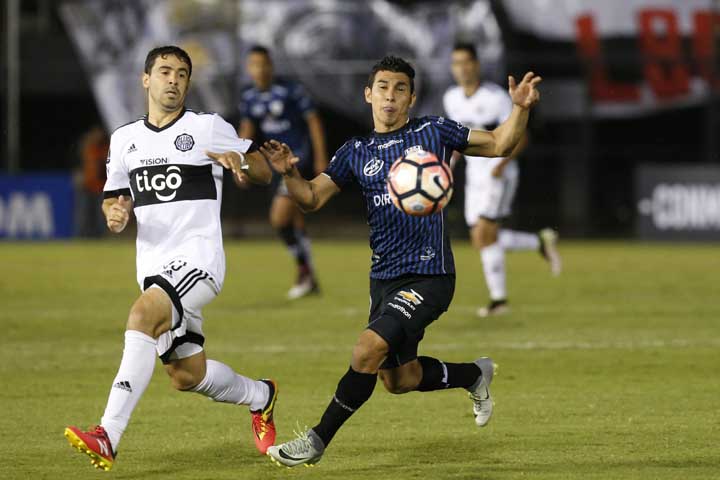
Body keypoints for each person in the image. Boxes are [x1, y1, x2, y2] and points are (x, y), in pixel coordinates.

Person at [260, 55, 541, 467]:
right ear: (368, 94)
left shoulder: (432, 132)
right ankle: (474, 374)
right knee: (398, 379)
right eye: (384, 88)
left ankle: (316, 441)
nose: (391, 97)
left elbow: (500, 143)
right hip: (385, 279)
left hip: (430, 274)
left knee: (366, 351)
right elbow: (313, 198)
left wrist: (520, 109)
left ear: (411, 98)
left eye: (401, 89)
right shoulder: (355, 151)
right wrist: (289, 174)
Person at [64, 45, 278, 471]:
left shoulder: (206, 128)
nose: (174, 80)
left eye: (182, 73)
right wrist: (116, 213)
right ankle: (261, 396)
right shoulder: (124, 140)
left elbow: (263, 169)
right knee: (187, 375)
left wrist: (242, 165)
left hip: (199, 260)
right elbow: (113, 199)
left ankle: (108, 434)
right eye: (165, 72)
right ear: (146, 79)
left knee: (142, 316)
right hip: (154, 269)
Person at [444, 43, 562, 318]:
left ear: (476, 65)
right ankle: (540, 243)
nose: (461, 68)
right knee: (480, 239)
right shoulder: (452, 99)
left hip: (498, 171)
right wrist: (446, 168)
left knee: (485, 233)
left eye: (466, 62)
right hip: (474, 174)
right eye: (456, 63)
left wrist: (501, 164)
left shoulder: (495, 97)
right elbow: (456, 142)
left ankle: (499, 301)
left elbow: (521, 136)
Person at [238, 45, 329, 300]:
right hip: (274, 164)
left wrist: (321, 157)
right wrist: (240, 163)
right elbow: (246, 131)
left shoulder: (291, 90)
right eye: (254, 65)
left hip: (297, 161)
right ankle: (308, 276)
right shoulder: (249, 97)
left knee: (279, 219)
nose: (260, 70)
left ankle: (304, 272)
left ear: (271, 66)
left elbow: (313, 121)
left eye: (264, 64)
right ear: (249, 68)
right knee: (296, 223)